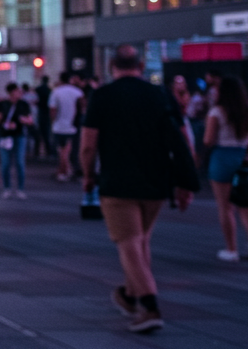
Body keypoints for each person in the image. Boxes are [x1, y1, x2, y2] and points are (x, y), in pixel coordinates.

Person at [81, 45, 196, 334]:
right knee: (142, 240)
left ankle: (150, 304)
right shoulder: (159, 95)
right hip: (156, 182)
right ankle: (129, 296)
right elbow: (182, 140)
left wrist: (87, 174)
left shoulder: (103, 96)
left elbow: (87, 144)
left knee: (129, 243)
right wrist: (185, 181)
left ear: (112, 67)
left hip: (117, 182)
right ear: (141, 66)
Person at [203, 76, 248, 261]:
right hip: (243, 157)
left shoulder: (217, 112)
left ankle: (231, 249)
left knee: (225, 207)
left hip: (222, 158)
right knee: (246, 204)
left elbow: (208, 140)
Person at [0, 83, 33, 198]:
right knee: (5, 164)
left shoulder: (23, 104)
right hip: (5, 136)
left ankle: (20, 188)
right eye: (17, 91)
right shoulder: (2, 104)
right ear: (11, 92)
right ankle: (7, 187)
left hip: (19, 135)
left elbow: (30, 120)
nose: (20, 93)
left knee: (20, 163)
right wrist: (5, 123)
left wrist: (22, 120)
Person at [49, 72, 86, 182]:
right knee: (73, 151)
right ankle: (72, 170)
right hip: (74, 125)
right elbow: (83, 107)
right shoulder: (77, 92)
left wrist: (53, 122)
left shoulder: (56, 92)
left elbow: (52, 110)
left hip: (59, 126)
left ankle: (63, 172)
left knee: (61, 150)